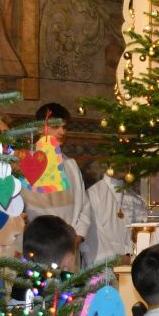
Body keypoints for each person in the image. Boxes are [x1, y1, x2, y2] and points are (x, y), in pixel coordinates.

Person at [22, 102, 94, 248]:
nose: (62, 132)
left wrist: (78, 235)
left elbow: (84, 205)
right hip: (38, 242)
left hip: (70, 242)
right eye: (55, 127)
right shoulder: (26, 162)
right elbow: (21, 207)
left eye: (64, 127)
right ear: (40, 128)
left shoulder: (70, 164)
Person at [80, 156, 138, 270]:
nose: (125, 165)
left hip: (133, 266)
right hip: (103, 268)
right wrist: (116, 260)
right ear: (109, 162)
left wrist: (133, 257)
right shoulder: (93, 195)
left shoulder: (135, 199)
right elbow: (93, 236)